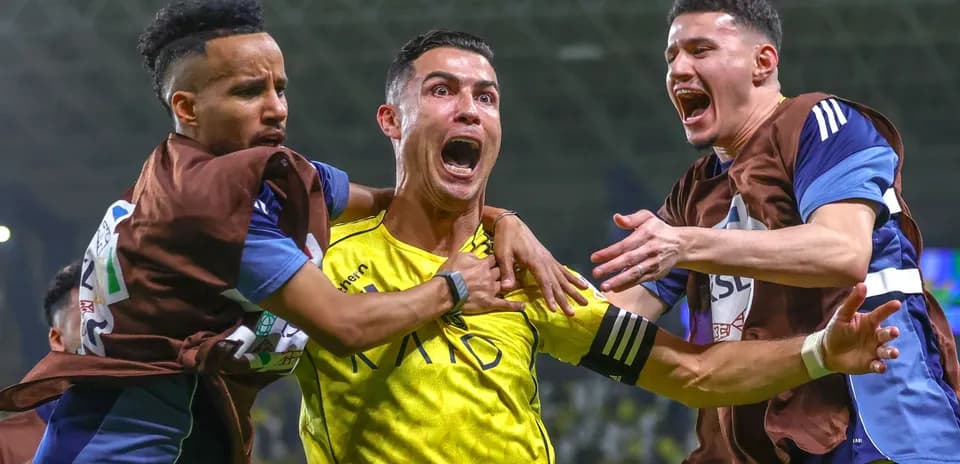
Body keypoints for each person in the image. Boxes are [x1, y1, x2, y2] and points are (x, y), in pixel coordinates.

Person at [0, 1, 584, 462]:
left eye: (280, 87)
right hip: (122, 451)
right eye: (249, 92)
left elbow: (394, 199)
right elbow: (345, 327)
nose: (277, 108)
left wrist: (503, 218)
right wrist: (451, 288)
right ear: (187, 109)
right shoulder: (204, 207)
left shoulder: (263, 173)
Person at [294, 29, 902, 464]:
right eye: (442, 91)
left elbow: (690, 372)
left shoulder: (525, 277)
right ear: (391, 120)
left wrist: (822, 351)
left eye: (486, 97)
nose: (470, 111)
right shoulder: (322, 256)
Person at [588, 1, 960, 462]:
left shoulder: (820, 123)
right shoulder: (693, 193)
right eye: (671, 57)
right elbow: (609, 317)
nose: (679, 69)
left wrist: (686, 244)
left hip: (878, 432)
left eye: (700, 50)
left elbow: (842, 251)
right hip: (756, 445)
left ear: (763, 62)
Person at [0, 262, 81, 463]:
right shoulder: (6, 442)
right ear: (57, 339)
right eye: (89, 317)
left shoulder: (159, 421)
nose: (106, 331)